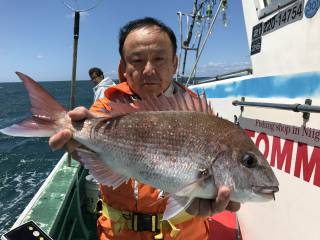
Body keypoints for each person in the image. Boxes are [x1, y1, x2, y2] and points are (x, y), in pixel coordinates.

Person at [49, 17, 240, 240]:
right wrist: (85, 151)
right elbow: (99, 157)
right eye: (137, 60)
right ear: (123, 67)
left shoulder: (197, 112)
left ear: (174, 63)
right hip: (117, 234)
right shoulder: (106, 107)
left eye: (159, 59)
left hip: (186, 233)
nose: (149, 70)